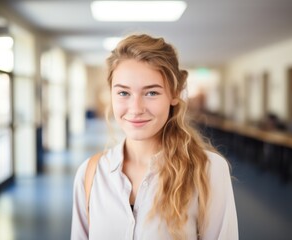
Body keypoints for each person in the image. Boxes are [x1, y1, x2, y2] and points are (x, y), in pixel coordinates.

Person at [71, 34, 238, 240]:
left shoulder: (208, 170)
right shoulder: (90, 174)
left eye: (151, 93)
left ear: (174, 94)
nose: (136, 109)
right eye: (123, 93)